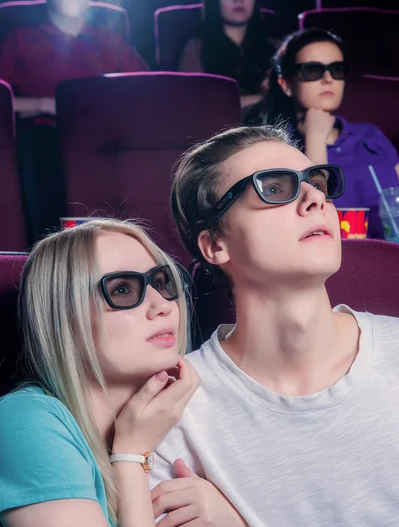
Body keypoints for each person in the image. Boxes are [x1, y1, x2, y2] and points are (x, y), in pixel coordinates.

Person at [149, 124, 399, 526]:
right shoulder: (174, 409)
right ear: (215, 245)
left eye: (317, 183)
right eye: (275, 188)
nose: (315, 198)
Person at [0, 218, 199, 527]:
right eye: (121, 289)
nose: (161, 304)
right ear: (67, 320)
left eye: (162, 283)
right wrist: (131, 455)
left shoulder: (175, 414)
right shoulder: (25, 420)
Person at [266, 28, 399, 239]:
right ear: (287, 84)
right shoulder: (275, 149)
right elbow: (312, 218)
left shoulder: (369, 134)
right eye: (312, 70)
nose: (328, 78)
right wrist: (315, 140)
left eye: (337, 69)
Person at [0, 0, 148, 118]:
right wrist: (43, 104)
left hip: (105, 132)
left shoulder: (111, 40)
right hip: (42, 134)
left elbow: (147, 89)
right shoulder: (20, 39)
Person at [178, 0, 276, 122]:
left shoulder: (275, 47)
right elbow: (193, 103)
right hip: (217, 133)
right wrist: (261, 98)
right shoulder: (196, 48)